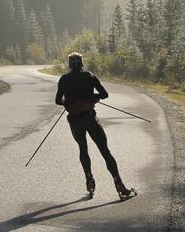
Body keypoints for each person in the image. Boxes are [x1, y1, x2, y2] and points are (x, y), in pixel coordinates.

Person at [55, 52, 135, 200]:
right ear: (82, 63)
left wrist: (69, 102)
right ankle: (119, 185)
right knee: (105, 151)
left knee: (82, 149)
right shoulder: (90, 76)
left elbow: (58, 101)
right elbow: (104, 94)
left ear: (69, 64)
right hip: (90, 118)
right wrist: (93, 98)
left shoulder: (64, 79)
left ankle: (89, 179)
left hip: (74, 121)